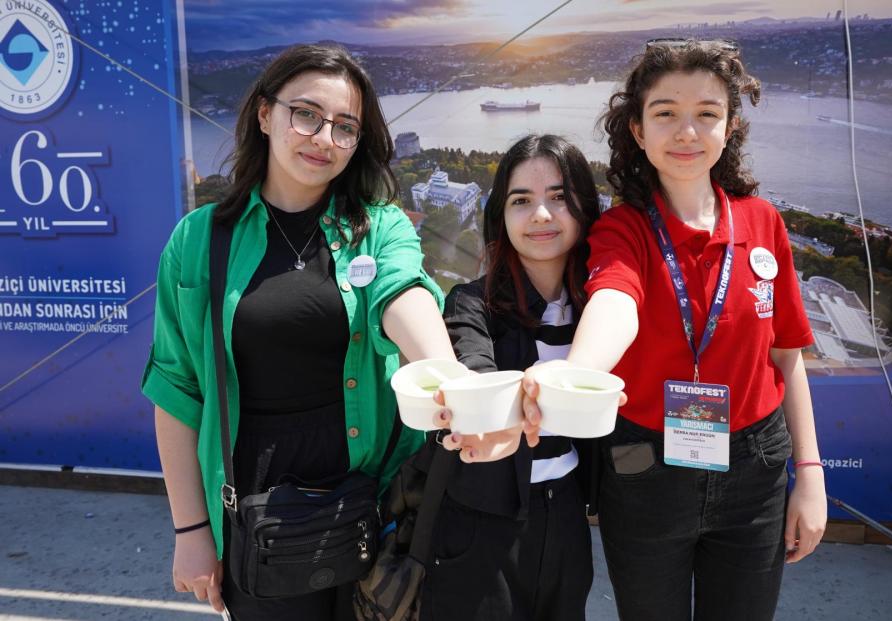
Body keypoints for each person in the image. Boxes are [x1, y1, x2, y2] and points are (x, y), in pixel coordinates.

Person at [455, 39, 828, 620]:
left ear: (730, 126)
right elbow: (615, 304)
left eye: (707, 113)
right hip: (646, 468)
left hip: (755, 467)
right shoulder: (621, 230)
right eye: (666, 113)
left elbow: (787, 356)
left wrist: (810, 475)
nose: (687, 132)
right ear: (638, 129)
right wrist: (572, 379)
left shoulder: (763, 224)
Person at [141, 44, 454, 620]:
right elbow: (176, 390)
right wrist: (191, 529)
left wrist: (445, 375)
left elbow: (401, 292)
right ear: (265, 115)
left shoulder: (378, 225)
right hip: (260, 513)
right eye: (306, 114)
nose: (324, 138)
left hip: (376, 499)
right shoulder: (199, 240)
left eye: (345, 126)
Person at [423, 134, 601, 621]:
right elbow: (473, 371)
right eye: (521, 201)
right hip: (480, 523)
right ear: (500, 215)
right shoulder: (470, 303)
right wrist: (493, 409)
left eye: (559, 197)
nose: (541, 214)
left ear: (585, 208)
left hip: (567, 517)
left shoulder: (599, 309)